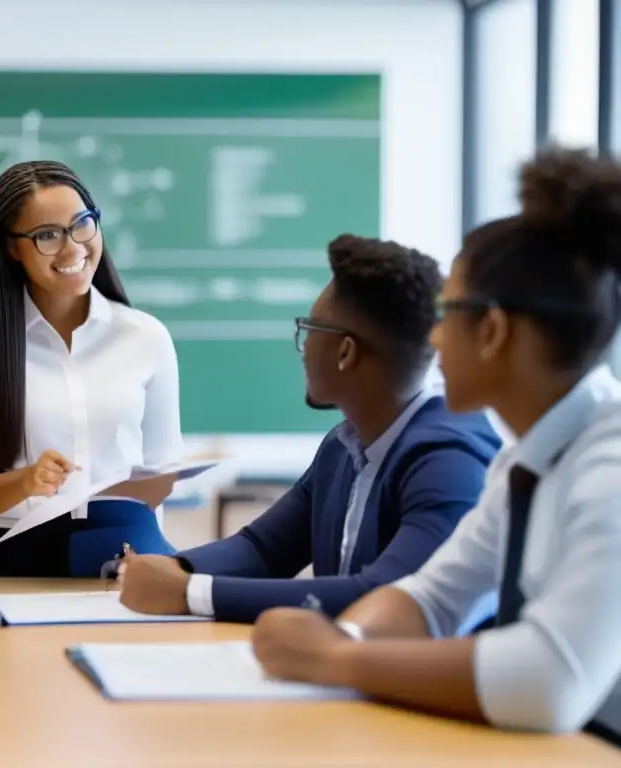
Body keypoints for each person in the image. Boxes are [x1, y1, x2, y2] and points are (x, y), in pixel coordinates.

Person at [250, 147, 621, 736]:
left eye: (446, 314)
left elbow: (549, 681)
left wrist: (338, 659)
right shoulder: (525, 459)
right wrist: (343, 637)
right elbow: (431, 597)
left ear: (494, 331)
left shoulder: (610, 469)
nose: (433, 339)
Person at [117, 234, 502, 623]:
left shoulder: (450, 462)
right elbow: (264, 550)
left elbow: (385, 596)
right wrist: (169, 570)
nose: (303, 345)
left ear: (345, 352)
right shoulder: (343, 445)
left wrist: (191, 592)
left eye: (310, 328)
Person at [0, 160, 185, 577]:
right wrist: (25, 481)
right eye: (47, 235)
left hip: (127, 559)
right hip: (14, 562)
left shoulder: (146, 337)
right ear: (11, 247)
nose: (73, 248)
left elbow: (163, 470)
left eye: (82, 224)